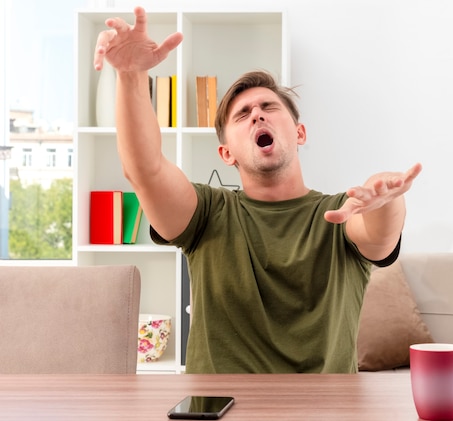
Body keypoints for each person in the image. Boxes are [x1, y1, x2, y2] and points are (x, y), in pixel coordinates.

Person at [93, 6, 422, 374]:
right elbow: (144, 169)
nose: (257, 115)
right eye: (242, 114)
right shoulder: (206, 213)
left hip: (324, 411)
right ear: (226, 153)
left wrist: (387, 200)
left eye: (268, 107)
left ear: (300, 133)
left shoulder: (338, 214)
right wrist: (131, 77)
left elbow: (379, 234)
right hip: (217, 410)